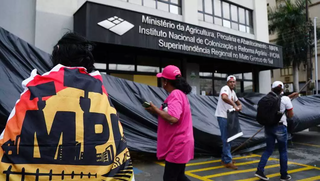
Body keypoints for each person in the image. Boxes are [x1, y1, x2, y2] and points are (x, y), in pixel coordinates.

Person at [0, 32, 134, 181]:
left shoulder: (35, 88)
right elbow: (119, 145)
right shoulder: (101, 92)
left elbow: (8, 137)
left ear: (57, 53)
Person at [145, 65, 194, 181]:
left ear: (166, 81)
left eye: (162, 79)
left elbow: (173, 118)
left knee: (169, 178)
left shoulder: (175, 94)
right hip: (182, 142)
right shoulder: (181, 94)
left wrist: (156, 109)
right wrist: (157, 111)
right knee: (179, 176)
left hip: (177, 145)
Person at [255, 81, 298, 181]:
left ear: (272, 89)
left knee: (268, 150)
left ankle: (260, 170)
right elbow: (291, 115)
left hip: (268, 127)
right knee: (283, 151)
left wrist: (290, 97)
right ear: (282, 89)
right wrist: (287, 107)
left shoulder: (267, 98)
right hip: (280, 127)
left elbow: (279, 100)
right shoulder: (285, 99)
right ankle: (284, 175)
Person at [215, 75, 242, 170]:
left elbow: (238, 101)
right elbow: (224, 97)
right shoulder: (225, 88)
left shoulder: (233, 92)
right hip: (223, 116)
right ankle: (228, 161)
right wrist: (235, 105)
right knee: (226, 138)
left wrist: (239, 105)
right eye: (230, 82)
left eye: (234, 82)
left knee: (229, 138)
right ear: (227, 83)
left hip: (229, 117)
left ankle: (225, 158)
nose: (232, 83)